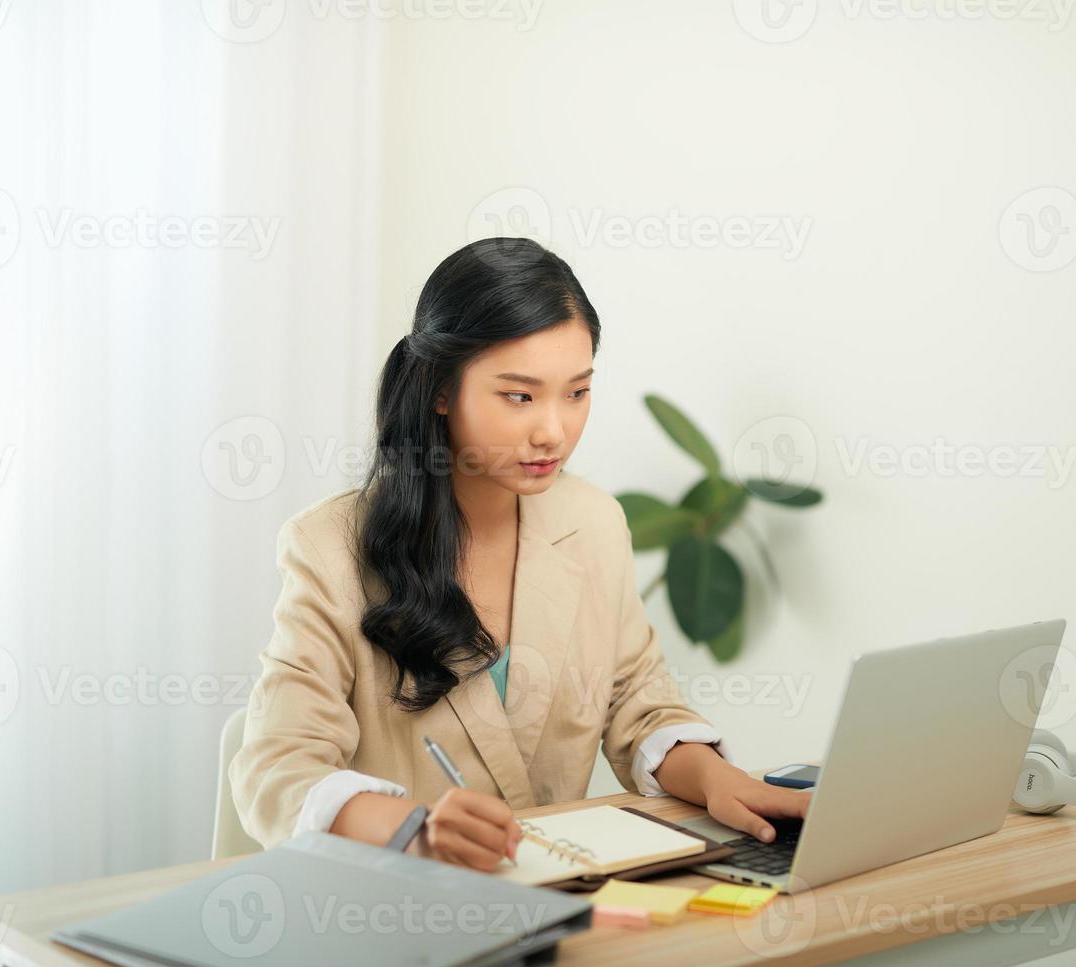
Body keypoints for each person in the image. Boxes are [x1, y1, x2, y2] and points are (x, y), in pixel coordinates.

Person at [231, 237, 806, 871]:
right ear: (441, 389)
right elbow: (277, 768)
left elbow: (639, 705)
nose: (553, 431)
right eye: (519, 396)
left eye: (577, 392)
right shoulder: (330, 548)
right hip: (400, 913)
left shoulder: (591, 523)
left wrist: (718, 779)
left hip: (559, 897)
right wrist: (413, 830)